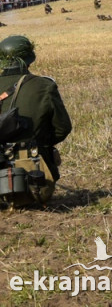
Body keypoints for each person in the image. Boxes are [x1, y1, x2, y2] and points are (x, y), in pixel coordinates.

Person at [0, 35, 72, 206]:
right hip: (37, 184)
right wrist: (39, 145)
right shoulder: (44, 86)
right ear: (29, 59)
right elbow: (63, 128)